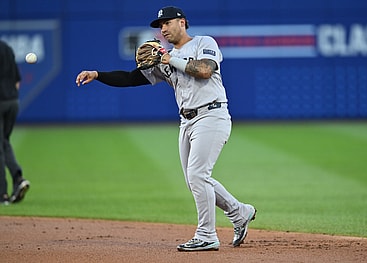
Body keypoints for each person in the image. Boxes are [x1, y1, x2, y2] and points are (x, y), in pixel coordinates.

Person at [75, 6, 256, 251]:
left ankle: (207, 235)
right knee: (196, 179)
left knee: (197, 175)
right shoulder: (163, 57)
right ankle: (239, 212)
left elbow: (204, 70)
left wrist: (169, 58)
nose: (162, 29)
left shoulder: (203, 42)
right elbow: (130, 78)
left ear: (182, 22)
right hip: (187, 121)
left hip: (212, 115)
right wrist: (97, 74)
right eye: (159, 26)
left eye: (166, 23)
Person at [0, 40, 30, 205]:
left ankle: (2, 194)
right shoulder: (7, 48)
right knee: (4, 142)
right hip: (12, 101)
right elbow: (17, 81)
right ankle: (18, 179)